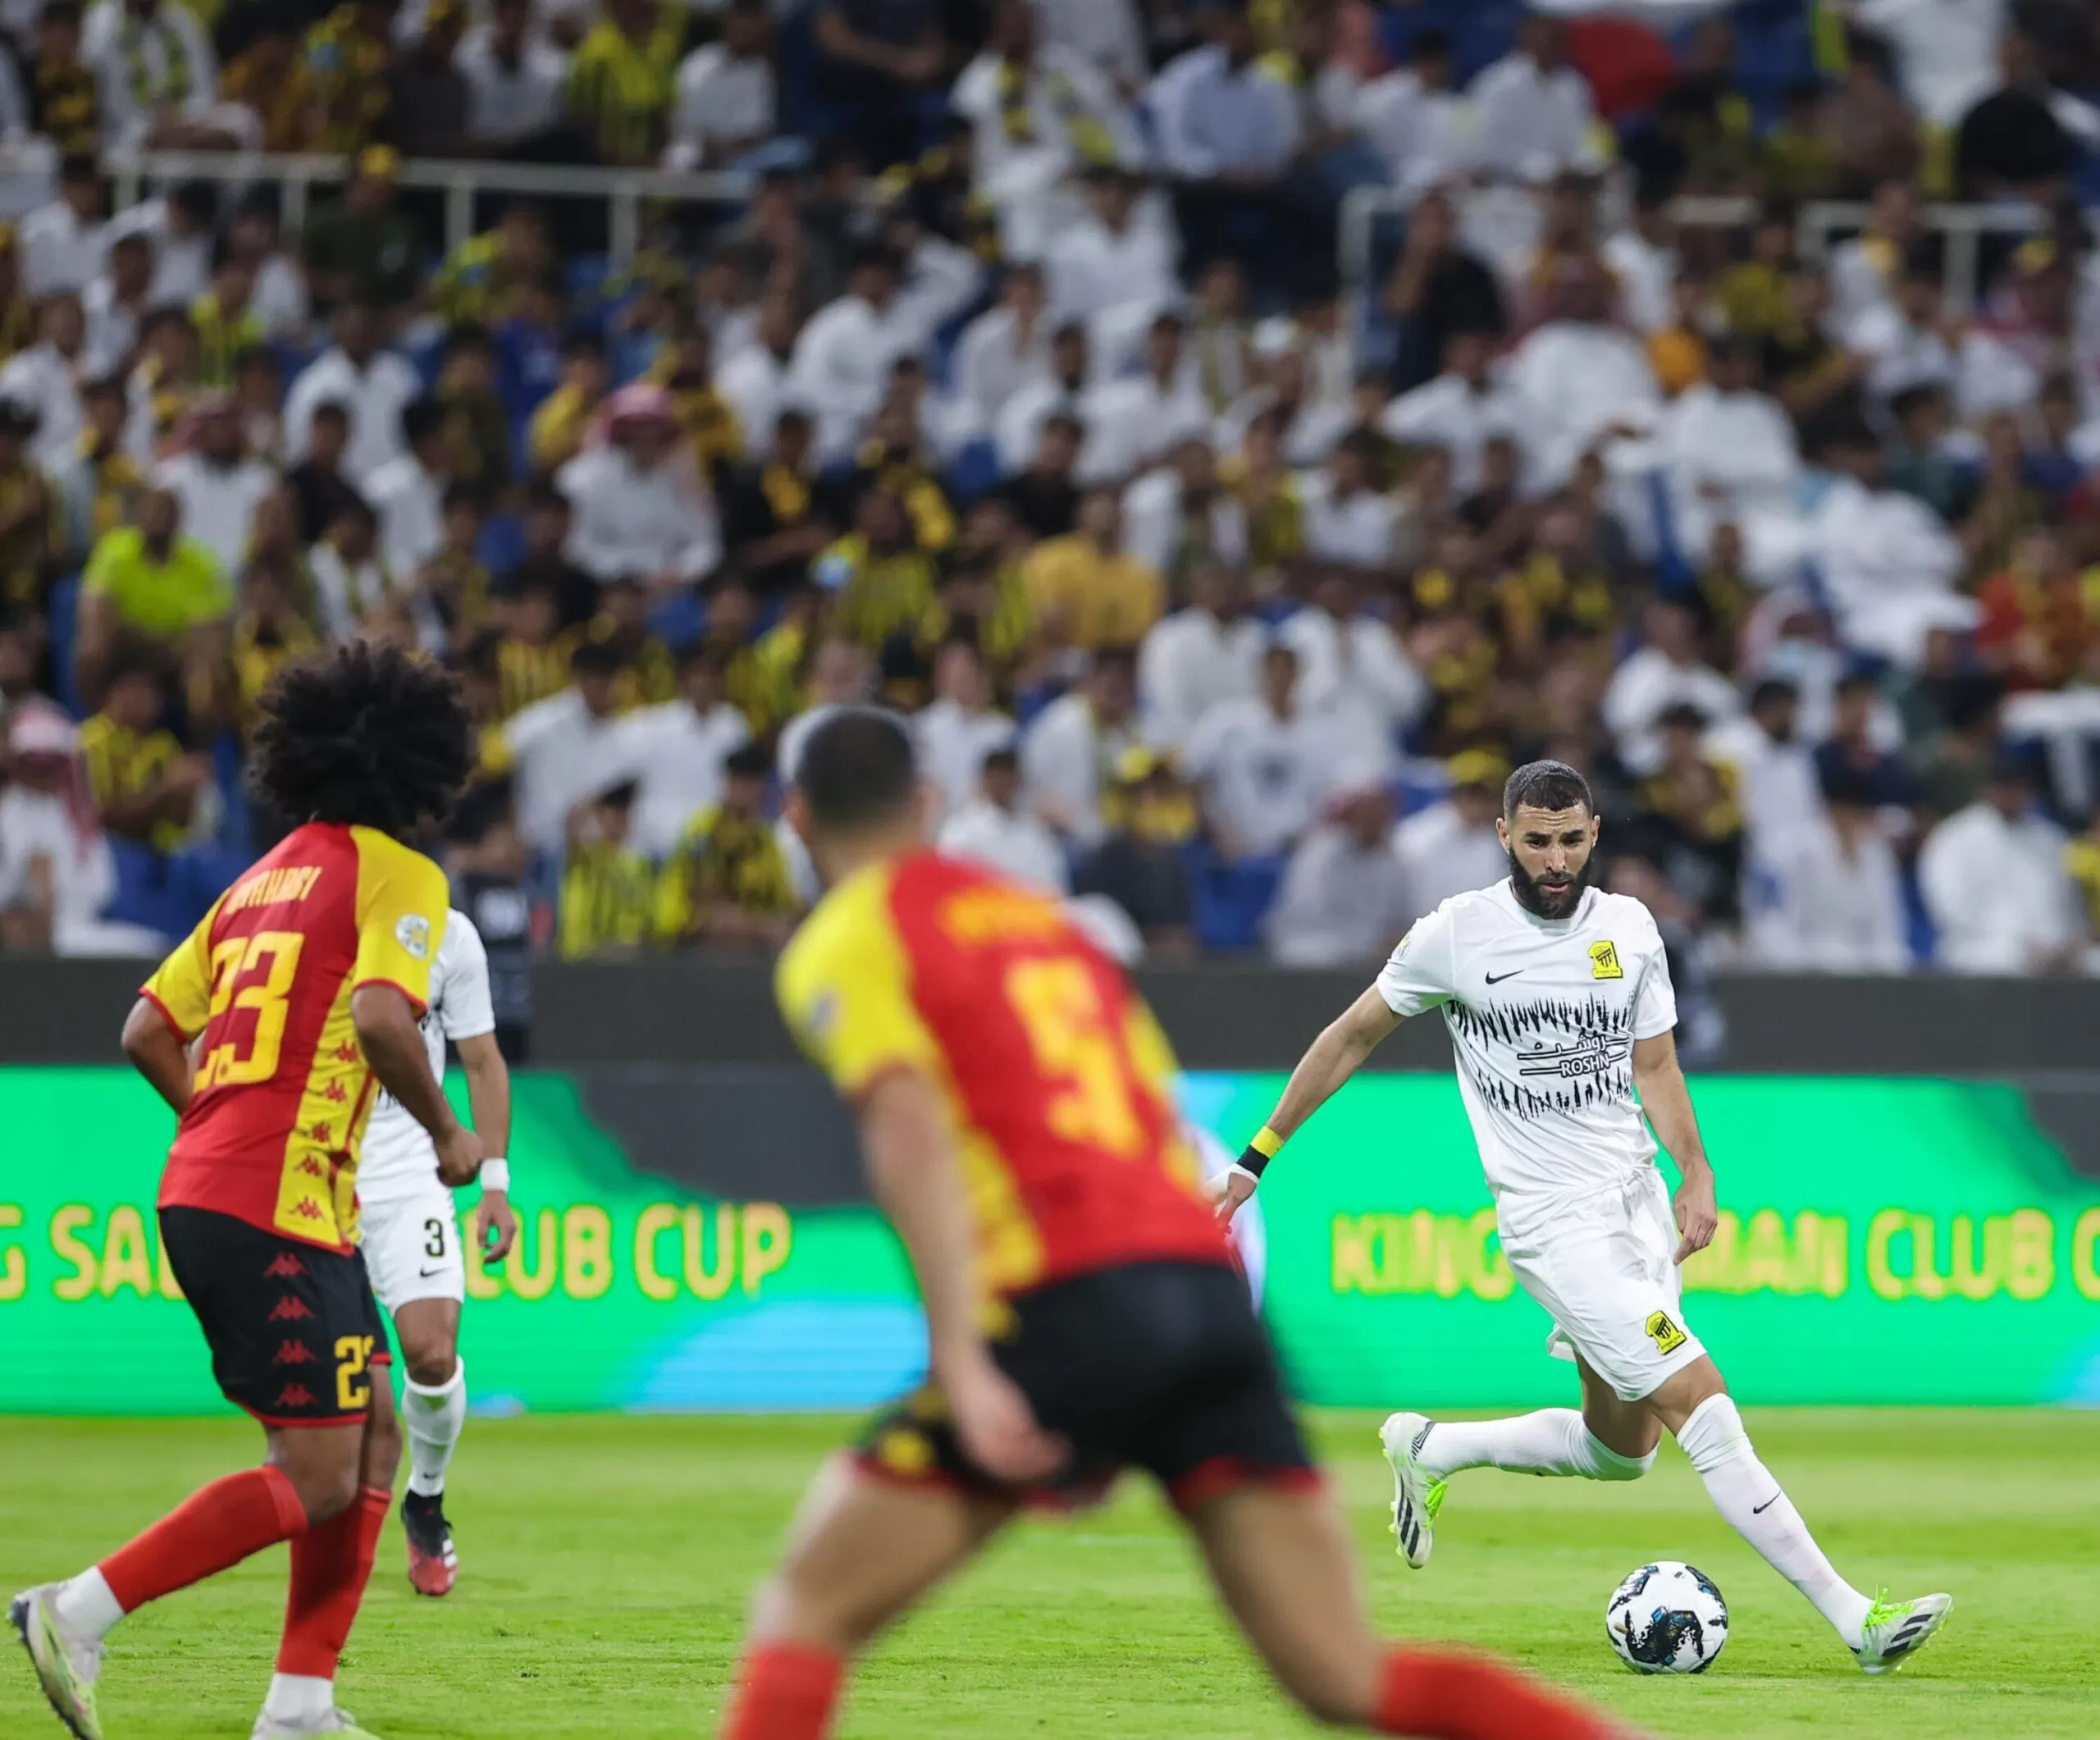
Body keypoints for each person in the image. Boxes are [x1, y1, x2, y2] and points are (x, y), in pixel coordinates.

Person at [721, 710, 1639, 1740]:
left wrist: (964, 1361)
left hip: (1065, 1300)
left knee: (805, 1612)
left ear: (795, 817)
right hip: (1203, 1295)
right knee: (1345, 1676)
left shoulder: (853, 935)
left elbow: (908, 1141)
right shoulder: (1039, 922)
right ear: (927, 805)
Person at [1215, 759, 1954, 1678]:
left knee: (1622, 1450)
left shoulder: (1630, 929)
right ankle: (1856, 1621)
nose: (1556, 860)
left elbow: (1655, 1064)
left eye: (1571, 840)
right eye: (1537, 842)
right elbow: (1349, 1036)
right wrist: (1255, 1157)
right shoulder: (1456, 934)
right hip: (1554, 1226)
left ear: (1594, 833)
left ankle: (1430, 1447)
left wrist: (1695, 1170)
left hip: (1635, 1206)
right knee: (1701, 1402)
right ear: (1504, 837)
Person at [11, 642, 482, 1740]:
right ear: (420, 768)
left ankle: (300, 1707)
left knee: (371, 1433)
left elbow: (145, 1028)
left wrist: (218, 1129)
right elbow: (380, 1017)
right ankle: (75, 1612)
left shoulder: (260, 878)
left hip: (234, 1193)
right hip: (274, 1207)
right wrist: (447, 1129)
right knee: (317, 1473)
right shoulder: (400, 874)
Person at [353, 904, 520, 1600]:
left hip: (412, 1174)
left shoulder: (448, 932)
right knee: (352, 1389)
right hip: (317, 1171)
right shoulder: (307, 911)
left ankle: (425, 1495)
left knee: (430, 1353)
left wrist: (495, 1183)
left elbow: (481, 1057)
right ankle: (335, 1526)